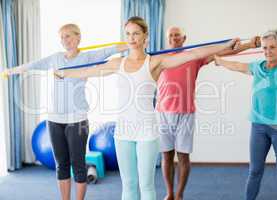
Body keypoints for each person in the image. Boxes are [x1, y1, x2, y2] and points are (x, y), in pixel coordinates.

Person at [54, 16, 240, 200]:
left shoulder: (155, 62)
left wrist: (225, 45)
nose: (131, 38)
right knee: (128, 185)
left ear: (145, 37)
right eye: (128, 34)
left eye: (136, 34)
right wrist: (63, 73)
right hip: (123, 132)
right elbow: (86, 72)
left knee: (146, 185)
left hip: (147, 132)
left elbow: (194, 54)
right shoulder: (118, 63)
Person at [1, 23, 128, 200]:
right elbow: (33, 65)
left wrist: (131, 43)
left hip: (77, 119)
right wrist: (10, 71)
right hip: (54, 119)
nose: (65, 40)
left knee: (78, 164)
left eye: (68, 36)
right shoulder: (55, 58)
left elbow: (110, 50)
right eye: (62, 37)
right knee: (61, 164)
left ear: (78, 38)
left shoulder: (87, 57)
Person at [156, 26, 261, 200]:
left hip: (186, 112)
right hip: (162, 113)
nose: (174, 38)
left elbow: (227, 51)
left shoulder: (194, 57)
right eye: (171, 36)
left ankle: (180, 195)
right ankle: (169, 193)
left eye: (177, 36)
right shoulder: (159, 58)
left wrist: (250, 44)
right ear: (167, 39)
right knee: (166, 155)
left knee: (183, 156)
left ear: (184, 38)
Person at [214, 29, 277, 200]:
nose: (268, 51)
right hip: (258, 126)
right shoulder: (256, 67)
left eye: (273, 47)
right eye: (265, 48)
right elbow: (237, 66)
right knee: (254, 171)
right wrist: (219, 61)